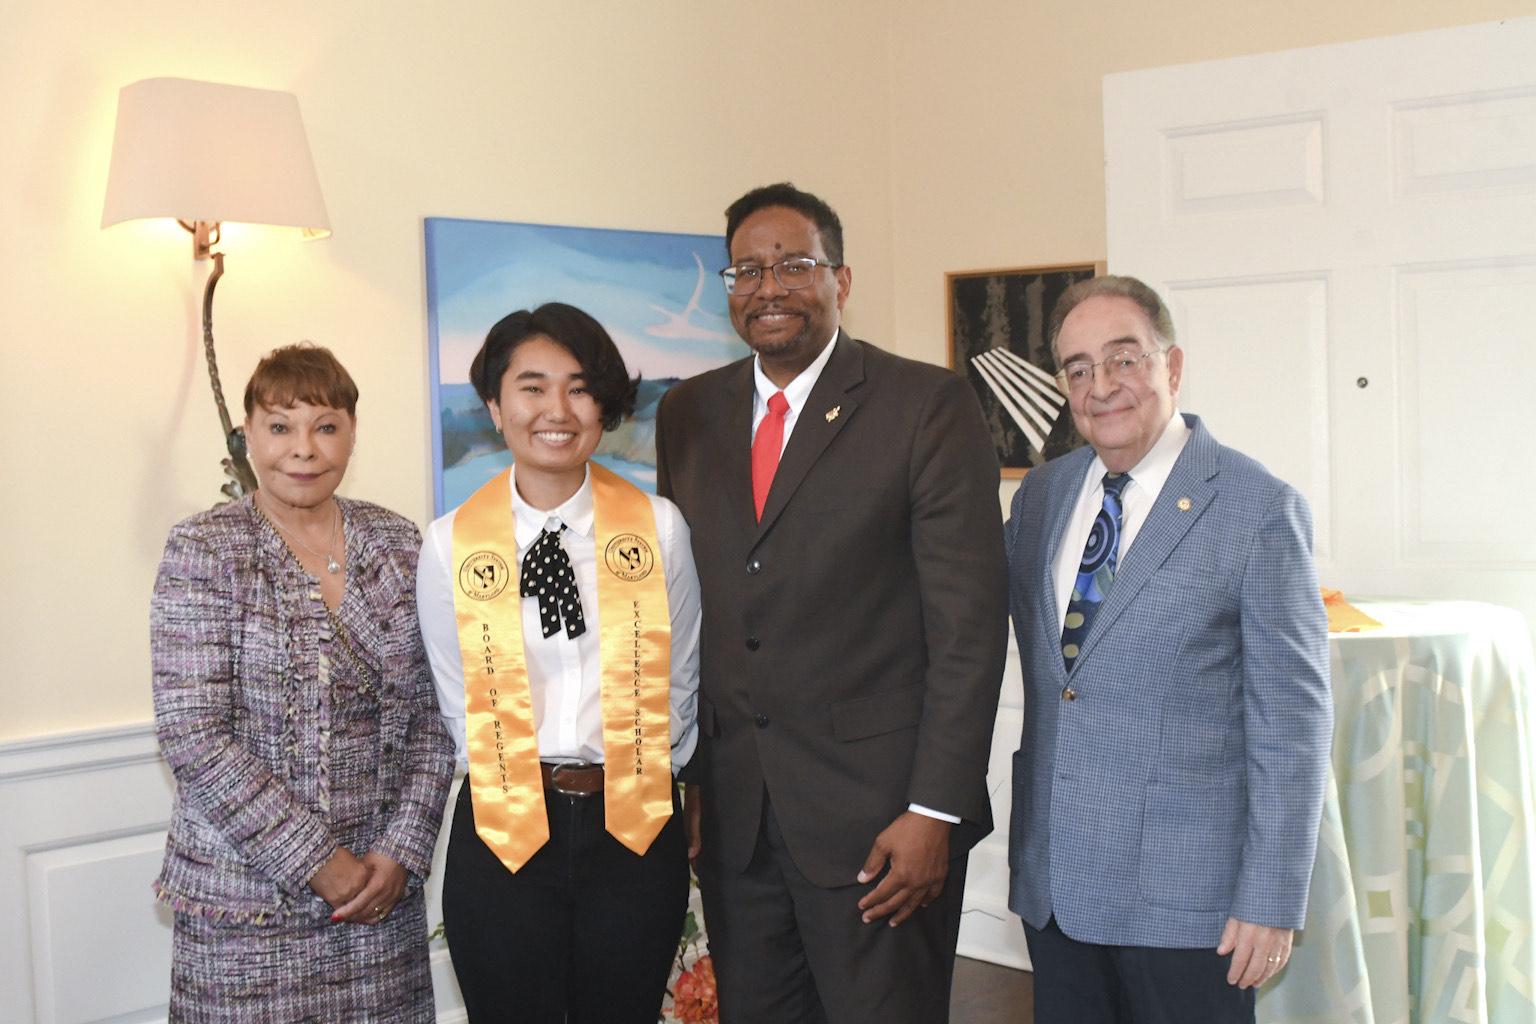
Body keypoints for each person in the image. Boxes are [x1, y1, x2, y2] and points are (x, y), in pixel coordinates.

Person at [655, 183, 1008, 1023]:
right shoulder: (687, 413)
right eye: (747, 269)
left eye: (794, 265)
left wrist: (934, 809)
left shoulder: (925, 405)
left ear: (840, 281)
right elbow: (689, 611)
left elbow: (968, 628)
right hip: (738, 824)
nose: (768, 287)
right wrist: (692, 779)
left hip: (880, 827)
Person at [1004, 275, 1333, 1023]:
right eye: (1078, 368)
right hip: (1056, 891)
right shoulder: (1043, 497)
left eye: (1124, 359)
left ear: (1171, 367)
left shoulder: (1257, 508)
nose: (1101, 386)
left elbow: (1293, 725)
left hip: (1191, 909)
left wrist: (1271, 898)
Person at [150, 343, 455, 1022]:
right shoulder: (206, 548)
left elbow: (440, 716)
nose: (304, 448)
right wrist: (320, 861)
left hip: (378, 907)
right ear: (249, 436)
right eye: (281, 426)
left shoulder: (402, 543)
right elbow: (193, 732)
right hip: (244, 909)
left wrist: (401, 852)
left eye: (325, 425)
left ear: (351, 432)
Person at [416, 302, 702, 1023]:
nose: (557, 409)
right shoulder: (451, 543)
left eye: (579, 387)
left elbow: (682, 684)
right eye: (532, 386)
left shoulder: (659, 528)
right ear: (494, 403)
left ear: (603, 404)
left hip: (634, 824)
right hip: (505, 824)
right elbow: (456, 700)